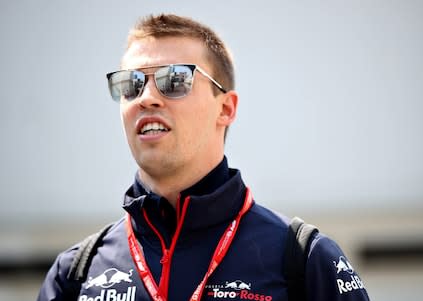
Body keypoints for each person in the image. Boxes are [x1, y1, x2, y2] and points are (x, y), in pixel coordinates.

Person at [37, 13, 370, 301]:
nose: (147, 97)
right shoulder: (77, 273)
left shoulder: (305, 259)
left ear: (225, 108)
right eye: (132, 84)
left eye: (175, 80)